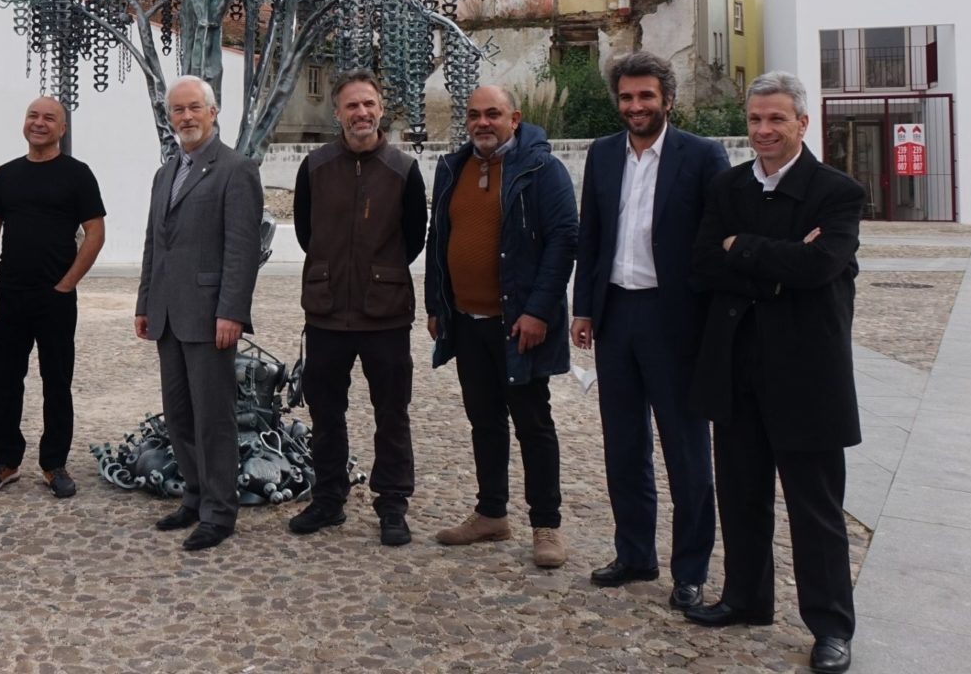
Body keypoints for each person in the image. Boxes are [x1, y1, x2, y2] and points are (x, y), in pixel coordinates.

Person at [686, 71, 866, 674]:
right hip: (736, 365)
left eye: (776, 119)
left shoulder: (837, 192)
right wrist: (779, 264)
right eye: (755, 119)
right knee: (741, 494)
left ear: (802, 123)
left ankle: (831, 627)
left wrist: (743, 247)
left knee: (816, 510)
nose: (763, 130)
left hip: (807, 373)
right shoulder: (727, 185)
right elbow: (703, 265)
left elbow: (820, 267)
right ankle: (746, 598)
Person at [572, 52, 730, 608]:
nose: (635, 106)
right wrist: (583, 309)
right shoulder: (603, 153)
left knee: (686, 451)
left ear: (668, 99)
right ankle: (635, 553)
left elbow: (716, 240)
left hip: (674, 319)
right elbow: (591, 235)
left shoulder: (703, 156)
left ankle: (690, 569)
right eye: (626, 96)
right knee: (624, 445)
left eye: (645, 96)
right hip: (616, 315)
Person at [425, 84, 578, 568]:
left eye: (493, 114)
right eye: (474, 115)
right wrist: (436, 304)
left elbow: (563, 240)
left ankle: (546, 524)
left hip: (519, 324)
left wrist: (538, 311)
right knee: (484, 421)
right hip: (467, 322)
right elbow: (438, 237)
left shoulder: (541, 169)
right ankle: (491, 513)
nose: (482, 123)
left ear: (515, 118)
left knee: (533, 423)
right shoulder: (452, 169)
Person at [285, 70, 426, 547]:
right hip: (327, 311)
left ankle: (393, 505)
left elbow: (413, 237)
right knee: (325, 412)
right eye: (351, 105)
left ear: (380, 109)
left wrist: (377, 273)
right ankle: (328, 498)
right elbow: (306, 232)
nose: (361, 113)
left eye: (368, 104)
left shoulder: (403, 170)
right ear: (337, 113)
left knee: (392, 412)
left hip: (385, 312)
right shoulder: (315, 167)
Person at [135, 75, 263, 551]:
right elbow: (154, 244)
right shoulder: (166, 172)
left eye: (194, 108)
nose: (186, 117)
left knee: (213, 418)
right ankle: (194, 495)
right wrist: (145, 302)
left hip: (211, 317)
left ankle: (219, 512)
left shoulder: (235, 169)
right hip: (168, 314)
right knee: (180, 414)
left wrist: (232, 312)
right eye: (178, 110)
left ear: (213, 112)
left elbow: (241, 250)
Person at [0, 97, 106, 499]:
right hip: (8, 296)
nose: (39, 123)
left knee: (57, 382)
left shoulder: (78, 174)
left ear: (62, 129)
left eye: (49, 118)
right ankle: (5, 461)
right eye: (33, 116)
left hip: (55, 299)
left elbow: (95, 233)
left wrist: (67, 284)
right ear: (24, 122)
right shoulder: (7, 175)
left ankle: (54, 464)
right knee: (4, 381)